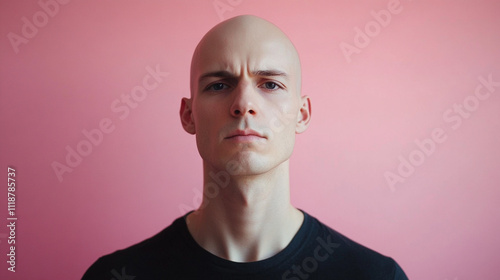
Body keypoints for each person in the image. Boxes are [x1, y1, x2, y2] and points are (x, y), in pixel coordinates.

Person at [82, 15, 409, 279]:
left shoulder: (375, 276)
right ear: (188, 115)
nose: (243, 104)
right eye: (219, 85)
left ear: (302, 113)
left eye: (270, 84)